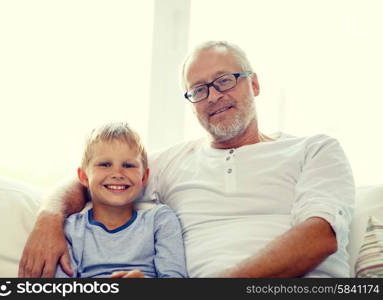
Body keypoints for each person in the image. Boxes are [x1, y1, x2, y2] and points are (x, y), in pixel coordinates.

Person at [19, 41, 354, 278]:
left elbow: (320, 235)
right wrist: (49, 219)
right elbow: (93, 177)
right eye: (198, 89)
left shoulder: (315, 148)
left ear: (254, 83)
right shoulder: (171, 163)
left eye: (224, 80)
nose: (213, 96)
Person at [54, 122, 187, 278]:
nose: (117, 173)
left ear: (144, 177)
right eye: (105, 164)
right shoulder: (72, 229)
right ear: (83, 176)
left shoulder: (160, 220)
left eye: (128, 165)